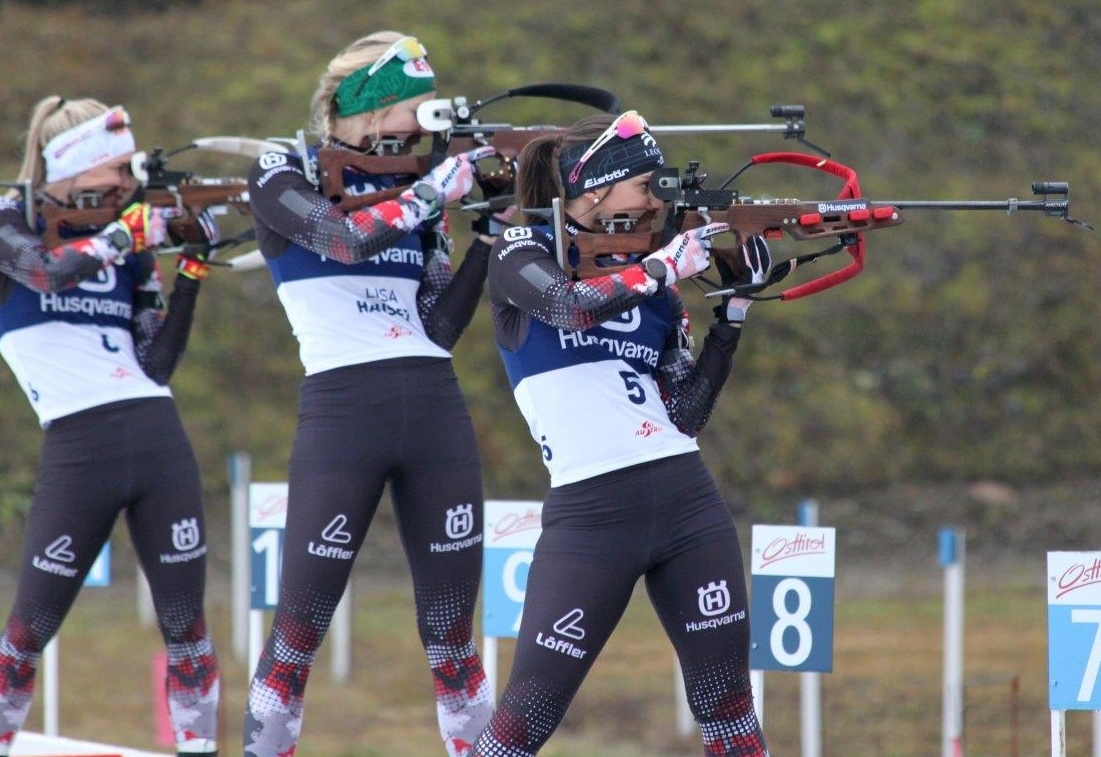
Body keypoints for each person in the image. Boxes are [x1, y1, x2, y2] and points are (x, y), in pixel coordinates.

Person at [470, 111, 772, 756]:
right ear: (595, 189)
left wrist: (734, 313)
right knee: (525, 718)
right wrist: (664, 267)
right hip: (591, 515)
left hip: (687, 501)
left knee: (728, 706)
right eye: (646, 185)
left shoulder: (654, 291)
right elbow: (567, 305)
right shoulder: (522, 253)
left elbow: (685, 412)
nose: (658, 201)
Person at [242, 31, 497, 757]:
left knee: (453, 639)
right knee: (297, 634)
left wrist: (489, 231)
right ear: (368, 110)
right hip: (343, 414)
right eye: (415, 113)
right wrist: (426, 195)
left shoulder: (423, 186)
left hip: (433, 405)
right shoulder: (283, 165)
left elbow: (439, 324)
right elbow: (340, 238)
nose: (427, 131)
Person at [0, 96, 220, 757]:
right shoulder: (12, 221)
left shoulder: (125, 245)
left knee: (188, 627)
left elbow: (156, 360)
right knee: (28, 629)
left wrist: (191, 270)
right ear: (75, 167)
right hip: (78, 449)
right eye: (116, 171)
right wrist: (128, 230)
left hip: (158, 440)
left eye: (129, 174)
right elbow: (46, 269)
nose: (126, 186)